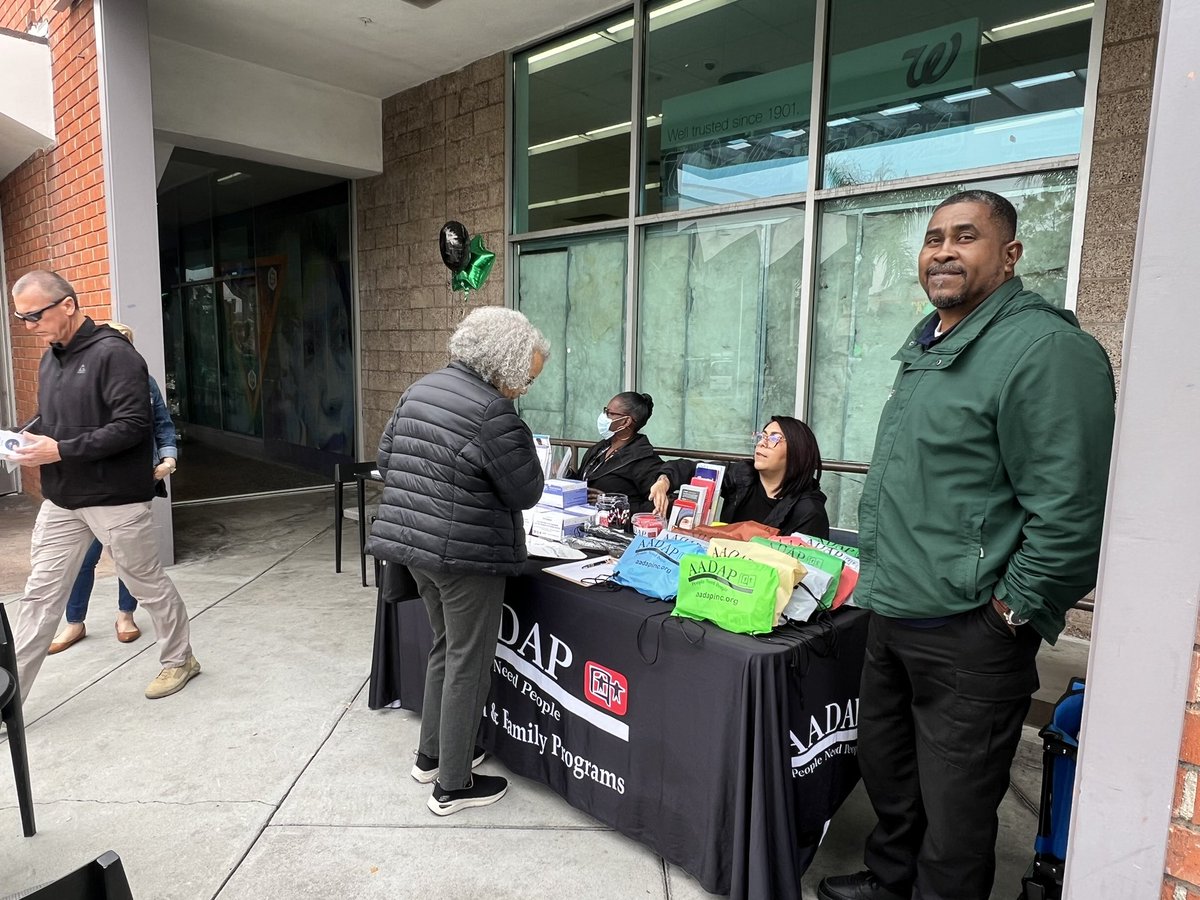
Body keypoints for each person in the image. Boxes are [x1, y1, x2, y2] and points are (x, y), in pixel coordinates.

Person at [817, 191, 1115, 900]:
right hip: (893, 611)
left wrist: (1009, 616)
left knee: (956, 817)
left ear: (1010, 255)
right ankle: (891, 884)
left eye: (965, 237)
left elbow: (1071, 514)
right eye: (932, 238)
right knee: (893, 777)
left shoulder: (1045, 350)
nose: (942, 251)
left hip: (970, 630)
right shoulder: (930, 345)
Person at [367, 306, 548, 816]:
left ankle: (432, 754)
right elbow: (527, 489)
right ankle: (451, 784)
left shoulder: (419, 389)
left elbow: (387, 459)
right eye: (526, 377)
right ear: (504, 363)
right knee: (469, 661)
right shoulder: (494, 413)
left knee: (445, 648)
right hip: (467, 555)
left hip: (415, 548)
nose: (525, 387)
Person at [9, 271, 200, 702]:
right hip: (63, 499)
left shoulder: (117, 356)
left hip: (115, 498)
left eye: (34, 315)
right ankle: (9, 699)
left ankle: (180, 659)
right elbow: (52, 418)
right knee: (40, 593)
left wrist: (59, 449)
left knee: (145, 583)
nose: (28, 325)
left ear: (68, 305)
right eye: (21, 318)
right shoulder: (50, 357)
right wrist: (22, 436)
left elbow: (133, 427)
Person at [48, 321, 179, 653]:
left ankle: (125, 615)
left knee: (129, 560)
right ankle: (74, 622)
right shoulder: (79, 384)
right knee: (83, 559)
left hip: (132, 485)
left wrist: (168, 461)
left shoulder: (144, 383)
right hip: (87, 487)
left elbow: (163, 424)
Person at [649, 415, 829, 538]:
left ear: (798, 451)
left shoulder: (809, 511)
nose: (762, 443)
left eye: (774, 439)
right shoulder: (743, 475)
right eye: (762, 436)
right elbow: (692, 468)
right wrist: (664, 481)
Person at [568, 391, 663, 513]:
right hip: (585, 520)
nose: (603, 416)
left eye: (609, 413)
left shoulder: (644, 460)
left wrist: (612, 503)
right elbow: (584, 480)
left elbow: (653, 507)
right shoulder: (600, 448)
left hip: (616, 528)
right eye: (605, 411)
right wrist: (567, 473)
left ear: (626, 421)